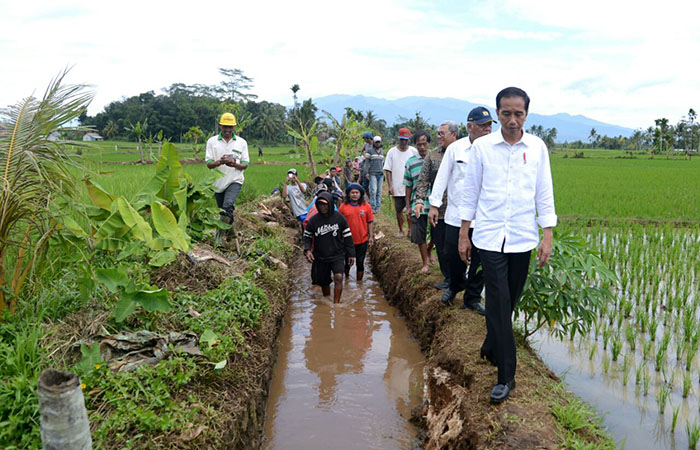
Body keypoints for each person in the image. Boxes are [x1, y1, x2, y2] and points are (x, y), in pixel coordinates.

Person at [458, 87, 557, 403]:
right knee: (498, 302)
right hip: (488, 236)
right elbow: (470, 193)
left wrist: (547, 235)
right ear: (497, 113)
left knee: (509, 300)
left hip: (522, 238)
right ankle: (506, 375)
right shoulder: (483, 148)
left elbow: (544, 192)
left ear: (527, 114)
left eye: (518, 113)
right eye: (506, 113)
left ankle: (490, 346)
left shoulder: (537, 148)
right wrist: (464, 233)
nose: (512, 120)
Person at [425, 109, 494, 314]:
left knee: (480, 260)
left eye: (490, 125)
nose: (488, 129)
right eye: (483, 125)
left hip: (484, 216)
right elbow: (442, 177)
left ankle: (472, 298)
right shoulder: (456, 149)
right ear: (470, 127)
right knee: (451, 254)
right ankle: (455, 285)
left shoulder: (495, 150)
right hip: (456, 214)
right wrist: (434, 205)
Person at [414, 121, 459, 290]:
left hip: (460, 212)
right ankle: (448, 277)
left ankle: (460, 278)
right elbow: (423, 181)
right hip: (439, 211)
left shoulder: (466, 152)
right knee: (441, 245)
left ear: (453, 135)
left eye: (442, 133)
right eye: (438, 133)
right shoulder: (432, 156)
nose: (438, 136)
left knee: (458, 246)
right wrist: (419, 201)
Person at [303, 191, 356, 304]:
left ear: (330, 204)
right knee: (324, 282)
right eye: (320, 204)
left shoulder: (339, 219)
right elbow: (307, 236)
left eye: (325, 204)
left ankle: (336, 304)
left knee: (338, 277)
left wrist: (351, 254)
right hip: (320, 256)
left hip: (337, 254)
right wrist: (307, 250)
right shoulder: (314, 221)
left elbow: (347, 237)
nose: (323, 207)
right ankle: (327, 299)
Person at [205, 113, 249, 243]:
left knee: (228, 204)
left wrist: (234, 164)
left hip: (235, 180)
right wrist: (221, 162)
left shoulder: (241, 142)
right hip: (218, 183)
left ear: (234, 127)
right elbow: (208, 164)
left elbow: (245, 164)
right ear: (220, 126)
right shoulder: (212, 142)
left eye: (230, 127)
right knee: (224, 211)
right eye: (225, 127)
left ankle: (218, 235)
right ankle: (231, 233)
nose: (227, 130)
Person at [403, 130, 432, 273]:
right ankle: (425, 263)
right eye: (419, 144)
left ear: (429, 143)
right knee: (420, 235)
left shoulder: (436, 159)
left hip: (434, 204)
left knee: (437, 234)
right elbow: (408, 186)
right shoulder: (411, 163)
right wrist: (408, 206)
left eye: (424, 144)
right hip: (417, 205)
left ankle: (430, 248)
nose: (422, 147)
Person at [383, 127, 418, 237]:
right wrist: (390, 186)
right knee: (399, 210)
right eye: (402, 139)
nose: (403, 142)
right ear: (398, 139)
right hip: (397, 187)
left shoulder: (413, 151)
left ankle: (411, 230)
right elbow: (388, 170)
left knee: (410, 210)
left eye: (405, 140)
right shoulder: (392, 152)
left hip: (410, 187)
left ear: (408, 140)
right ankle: (401, 230)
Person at [338, 183, 374, 281]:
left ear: (360, 194)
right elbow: (338, 224)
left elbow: (370, 222)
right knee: (347, 262)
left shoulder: (366, 206)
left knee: (360, 262)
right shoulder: (343, 207)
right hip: (346, 241)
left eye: (356, 192)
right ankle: (346, 278)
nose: (354, 194)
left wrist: (371, 236)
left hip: (362, 240)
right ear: (348, 194)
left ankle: (359, 283)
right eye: (352, 192)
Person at [362, 135, 385, 212]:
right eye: (376, 142)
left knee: (379, 191)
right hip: (372, 173)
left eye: (379, 142)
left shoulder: (382, 152)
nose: (378, 144)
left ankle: (378, 208)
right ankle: (372, 207)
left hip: (380, 173)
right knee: (373, 191)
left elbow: (382, 163)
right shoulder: (370, 151)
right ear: (374, 143)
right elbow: (367, 163)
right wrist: (367, 172)